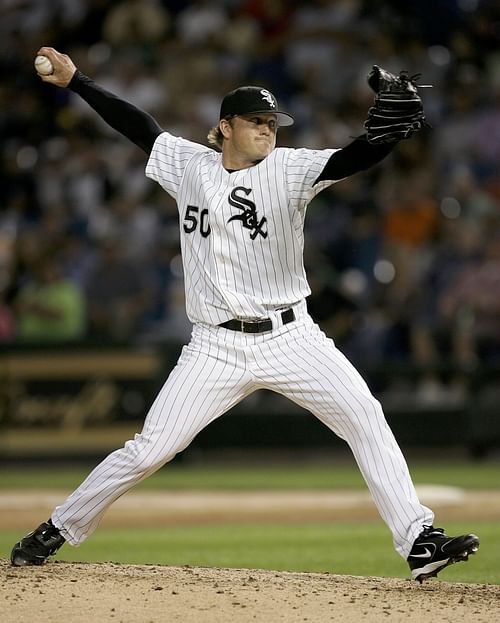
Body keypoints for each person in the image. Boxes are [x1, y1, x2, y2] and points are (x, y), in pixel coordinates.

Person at [11, 46, 479, 583]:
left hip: (292, 336)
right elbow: (135, 123)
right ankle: (57, 528)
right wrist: (79, 82)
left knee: (365, 416)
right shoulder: (189, 165)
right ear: (225, 127)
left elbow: (355, 155)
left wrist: (386, 137)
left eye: (273, 122)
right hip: (214, 346)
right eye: (256, 121)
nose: (268, 129)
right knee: (147, 451)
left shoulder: (292, 169)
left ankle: (418, 540)